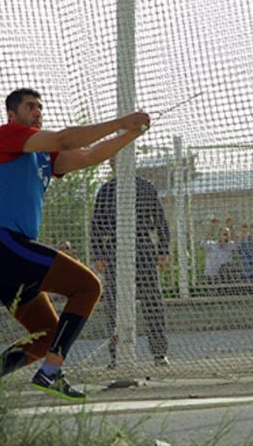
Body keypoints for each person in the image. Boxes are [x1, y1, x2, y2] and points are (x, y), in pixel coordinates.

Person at [0, 88, 150, 402]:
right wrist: (122, 121)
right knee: (88, 286)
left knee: (47, 335)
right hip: (1, 246)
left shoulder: (43, 156)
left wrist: (131, 133)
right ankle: (51, 373)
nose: (37, 111)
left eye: (40, 106)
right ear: (12, 114)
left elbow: (89, 156)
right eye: (30, 106)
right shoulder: (6, 135)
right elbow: (65, 139)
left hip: (3, 255)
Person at [91, 156, 171, 368]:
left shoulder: (146, 187)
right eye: (114, 161)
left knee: (152, 301)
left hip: (142, 246)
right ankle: (117, 355)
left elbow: (160, 221)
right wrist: (98, 254)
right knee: (114, 304)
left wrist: (163, 250)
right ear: (112, 165)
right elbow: (97, 225)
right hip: (115, 248)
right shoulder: (106, 191)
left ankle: (159, 352)